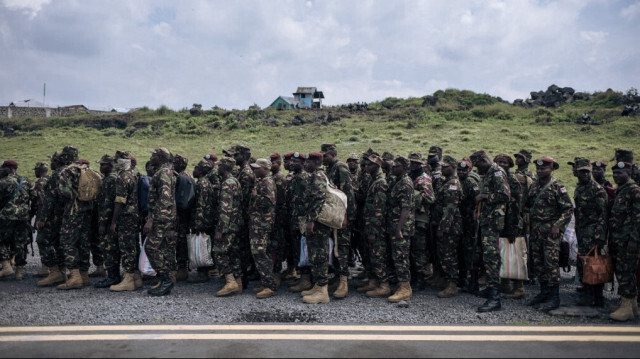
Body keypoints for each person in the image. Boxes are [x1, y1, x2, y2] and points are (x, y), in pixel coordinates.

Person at [524, 157, 573, 311]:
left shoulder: (558, 186)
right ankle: (543, 292)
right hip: (536, 230)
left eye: (543, 168)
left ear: (551, 168)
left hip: (551, 232)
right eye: (538, 169)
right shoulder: (534, 186)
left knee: (551, 264)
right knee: (538, 262)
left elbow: (568, 209)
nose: (540, 171)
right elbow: (528, 205)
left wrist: (558, 226)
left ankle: (554, 297)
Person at [470, 150, 510, 312]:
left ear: (482, 160)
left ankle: (495, 298)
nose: (476, 168)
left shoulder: (497, 172)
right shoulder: (489, 173)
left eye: (477, 164)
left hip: (493, 222)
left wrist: (485, 197)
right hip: (486, 220)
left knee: (492, 258)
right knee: (486, 257)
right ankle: (490, 289)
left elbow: (505, 195)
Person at [56, 147, 95, 290]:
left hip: (73, 211)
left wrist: (72, 197)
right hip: (88, 210)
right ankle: (84, 275)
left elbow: (64, 192)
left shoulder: (67, 171)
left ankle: (75, 276)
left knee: (68, 241)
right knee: (84, 242)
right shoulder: (87, 169)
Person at [321, 143, 355, 299]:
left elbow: (347, 193)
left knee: (342, 247)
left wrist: (346, 216)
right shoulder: (330, 168)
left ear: (333, 154)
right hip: (334, 215)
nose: (323, 159)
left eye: (325, 156)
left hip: (342, 216)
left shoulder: (341, 168)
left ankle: (343, 281)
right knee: (334, 247)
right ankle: (336, 276)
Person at [572, 158, 607, 307]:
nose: (585, 175)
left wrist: (600, 237)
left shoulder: (597, 190)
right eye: (582, 172)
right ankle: (588, 293)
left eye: (587, 172)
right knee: (584, 264)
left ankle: (597, 297)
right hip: (582, 231)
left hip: (593, 233)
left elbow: (603, 215)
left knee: (595, 264)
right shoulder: (579, 188)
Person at [143, 147, 177, 296]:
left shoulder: (163, 173)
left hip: (161, 218)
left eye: (154, 155)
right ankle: (167, 280)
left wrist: (151, 219)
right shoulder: (166, 172)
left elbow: (164, 198)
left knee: (151, 247)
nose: (151, 157)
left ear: (161, 157)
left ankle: (166, 279)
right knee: (164, 248)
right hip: (164, 216)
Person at [608, 160, 640, 321]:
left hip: (628, 241)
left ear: (628, 174)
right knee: (623, 271)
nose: (616, 175)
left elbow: (638, 218)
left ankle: (626, 307)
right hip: (619, 240)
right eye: (614, 173)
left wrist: (634, 240)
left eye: (620, 173)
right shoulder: (621, 190)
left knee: (626, 272)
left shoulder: (634, 191)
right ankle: (631, 305)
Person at [300, 152, 332, 304]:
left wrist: (312, 220)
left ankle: (323, 292)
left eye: (309, 162)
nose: (305, 165)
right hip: (316, 221)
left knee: (319, 254)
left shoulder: (318, 176)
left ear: (316, 162)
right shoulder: (317, 175)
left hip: (318, 223)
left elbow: (319, 198)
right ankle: (318, 285)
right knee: (314, 254)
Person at [108, 150, 142, 291]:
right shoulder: (134, 175)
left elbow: (120, 201)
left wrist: (114, 221)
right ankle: (136, 277)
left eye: (116, 161)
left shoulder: (122, 177)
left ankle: (128, 278)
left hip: (126, 217)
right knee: (134, 245)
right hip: (134, 216)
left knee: (126, 247)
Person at [357, 154, 390, 298]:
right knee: (371, 254)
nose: (366, 167)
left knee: (378, 255)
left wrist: (373, 230)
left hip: (376, 227)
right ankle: (373, 281)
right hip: (368, 224)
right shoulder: (372, 180)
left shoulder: (380, 183)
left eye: (369, 165)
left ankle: (384, 285)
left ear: (376, 166)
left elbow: (379, 209)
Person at [494, 153, 525, 299]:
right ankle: (505, 283)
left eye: (504, 162)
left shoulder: (512, 180)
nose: (501, 164)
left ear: (510, 165)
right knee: (503, 253)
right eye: (498, 161)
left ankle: (519, 287)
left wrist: (513, 225)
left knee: (514, 254)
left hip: (512, 221)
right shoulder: (497, 178)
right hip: (500, 221)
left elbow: (517, 204)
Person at [431, 155, 463, 298]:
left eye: (446, 166)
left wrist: (442, 228)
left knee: (449, 255)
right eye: (442, 166)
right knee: (443, 254)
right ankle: (445, 280)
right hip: (444, 224)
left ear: (453, 167)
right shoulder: (446, 182)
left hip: (449, 226)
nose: (442, 169)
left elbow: (450, 209)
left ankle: (452, 285)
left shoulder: (453, 184)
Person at [35, 152, 67, 287]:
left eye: (53, 161)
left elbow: (50, 199)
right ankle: (62, 271)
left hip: (53, 216)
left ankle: (54, 271)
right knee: (59, 243)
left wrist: (43, 218)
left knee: (42, 240)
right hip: (65, 215)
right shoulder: (68, 172)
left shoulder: (56, 175)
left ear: (57, 162)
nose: (51, 164)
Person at [386, 155, 415, 303]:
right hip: (395, 225)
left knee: (401, 257)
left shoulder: (405, 183)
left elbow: (406, 208)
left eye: (396, 166)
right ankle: (400, 285)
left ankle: (405, 288)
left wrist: (399, 229)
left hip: (401, 227)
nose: (393, 168)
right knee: (396, 257)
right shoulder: (398, 181)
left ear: (404, 168)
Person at [213, 157, 243, 297]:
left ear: (224, 168)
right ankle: (238, 282)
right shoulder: (235, 181)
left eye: (219, 166)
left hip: (228, 225)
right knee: (233, 253)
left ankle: (230, 281)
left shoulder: (227, 184)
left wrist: (221, 228)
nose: (217, 169)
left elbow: (226, 208)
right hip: (236, 224)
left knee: (219, 252)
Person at [248, 158, 278, 299]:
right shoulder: (261, 180)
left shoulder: (267, 181)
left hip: (262, 224)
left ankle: (269, 285)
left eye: (257, 168)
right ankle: (265, 282)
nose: (254, 170)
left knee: (260, 253)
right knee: (258, 253)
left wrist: (255, 197)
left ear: (265, 169)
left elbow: (269, 202)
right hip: (257, 223)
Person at [0, 160, 32, 280]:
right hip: (23, 217)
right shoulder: (26, 181)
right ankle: (19, 272)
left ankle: (6, 265)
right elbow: (33, 198)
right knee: (20, 243)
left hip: (6, 216)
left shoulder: (3, 182)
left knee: (1, 240)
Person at [187, 158, 218, 284]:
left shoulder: (202, 183)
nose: (193, 171)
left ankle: (202, 273)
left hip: (202, 220)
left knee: (201, 246)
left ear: (200, 171)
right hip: (206, 219)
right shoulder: (206, 182)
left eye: (196, 168)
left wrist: (198, 223)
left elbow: (201, 205)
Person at [408, 153, 435, 290]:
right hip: (411, 217)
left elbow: (430, 199)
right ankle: (414, 275)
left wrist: (414, 196)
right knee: (411, 248)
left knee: (419, 249)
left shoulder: (423, 179)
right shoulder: (410, 176)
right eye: (411, 162)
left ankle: (421, 278)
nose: (413, 165)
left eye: (416, 163)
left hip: (420, 219)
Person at [93, 154, 120, 289]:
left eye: (103, 164)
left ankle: (112, 277)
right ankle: (113, 275)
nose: (100, 167)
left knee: (109, 249)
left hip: (108, 220)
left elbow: (108, 203)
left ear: (109, 166)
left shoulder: (111, 180)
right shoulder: (109, 179)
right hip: (109, 220)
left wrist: (103, 223)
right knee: (109, 248)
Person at [457, 158, 480, 293]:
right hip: (460, 221)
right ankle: (462, 279)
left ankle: (473, 282)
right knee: (461, 250)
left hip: (469, 222)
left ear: (469, 170)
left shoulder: (471, 182)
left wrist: (475, 215)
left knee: (470, 252)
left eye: (464, 170)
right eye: (459, 169)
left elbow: (477, 201)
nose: (461, 172)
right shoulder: (458, 182)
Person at [173, 153, 194, 282]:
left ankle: (182, 269)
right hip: (186, 215)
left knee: (180, 242)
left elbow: (179, 199)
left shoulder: (180, 178)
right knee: (183, 240)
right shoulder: (189, 177)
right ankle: (183, 268)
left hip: (180, 215)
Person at [269, 153, 288, 284]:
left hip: (279, 216)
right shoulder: (273, 177)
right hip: (275, 216)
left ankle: (277, 274)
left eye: (273, 162)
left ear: (279, 162)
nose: (271, 165)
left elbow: (280, 200)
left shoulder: (279, 178)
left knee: (276, 245)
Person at [31, 161, 50, 278]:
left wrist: (39, 219)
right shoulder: (52, 178)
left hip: (45, 216)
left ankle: (45, 268)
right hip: (55, 216)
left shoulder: (40, 182)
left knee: (42, 241)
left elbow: (42, 203)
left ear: (39, 171)